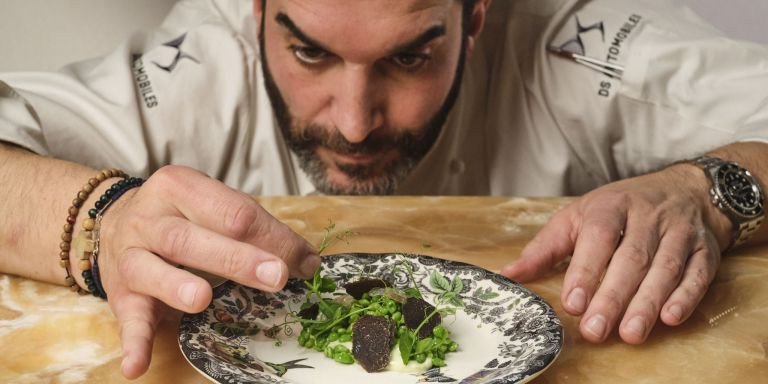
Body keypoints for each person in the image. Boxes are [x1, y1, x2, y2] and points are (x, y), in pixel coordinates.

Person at [1, 0, 767, 379]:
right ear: (257, 11)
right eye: (307, 51)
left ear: (474, 18)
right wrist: (96, 220)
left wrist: (710, 190)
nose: (356, 124)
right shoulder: (196, 64)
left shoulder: (572, 43)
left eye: (409, 58)